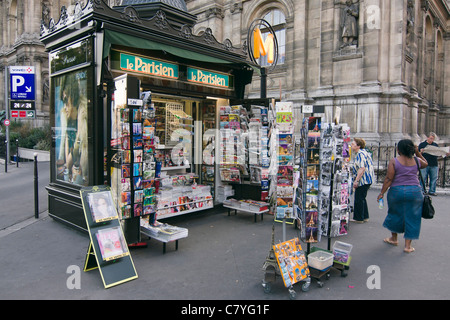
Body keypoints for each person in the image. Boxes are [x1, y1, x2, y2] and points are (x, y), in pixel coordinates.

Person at [377, 139, 428, 253]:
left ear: (399, 149)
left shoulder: (394, 161)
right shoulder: (416, 160)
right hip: (415, 192)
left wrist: (381, 193)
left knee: (394, 214)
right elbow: (426, 163)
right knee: (413, 217)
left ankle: (394, 239)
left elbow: (389, 179)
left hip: (397, 191)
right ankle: (407, 246)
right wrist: (417, 152)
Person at [350, 138, 375, 223]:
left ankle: (358, 218)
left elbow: (362, 168)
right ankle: (365, 216)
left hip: (364, 179)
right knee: (362, 198)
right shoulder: (364, 153)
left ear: (358, 146)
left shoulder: (360, 154)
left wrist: (356, 180)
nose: (351, 145)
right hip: (368, 179)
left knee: (359, 198)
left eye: (353, 144)